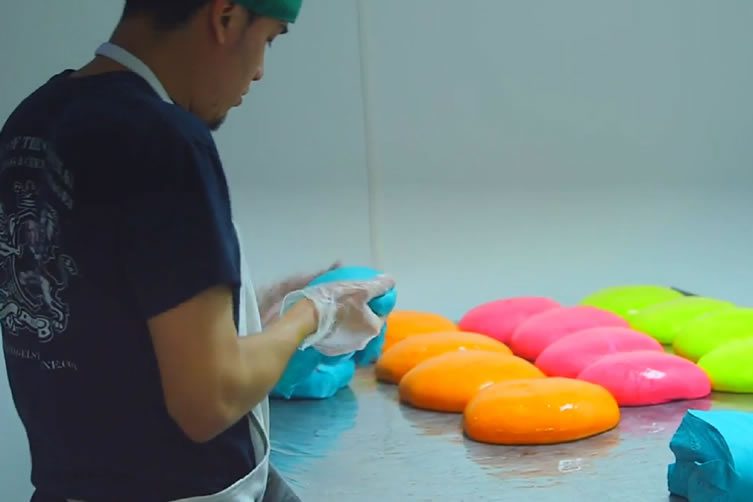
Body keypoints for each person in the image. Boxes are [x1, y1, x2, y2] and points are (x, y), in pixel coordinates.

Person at [0, 0, 394, 500]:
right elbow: (211, 398)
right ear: (225, 17)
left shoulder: (31, 122)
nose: (259, 73)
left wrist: (256, 310)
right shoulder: (164, 139)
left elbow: (112, 301)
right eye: (269, 39)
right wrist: (313, 315)